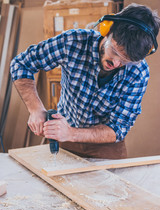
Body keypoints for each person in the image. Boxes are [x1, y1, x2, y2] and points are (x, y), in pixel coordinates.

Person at [10, 3, 160, 159]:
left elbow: (118, 129)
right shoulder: (73, 42)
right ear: (106, 30)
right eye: (114, 51)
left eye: (126, 60)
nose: (116, 63)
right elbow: (22, 64)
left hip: (105, 143)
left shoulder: (138, 72)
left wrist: (71, 133)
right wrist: (35, 109)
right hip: (64, 137)